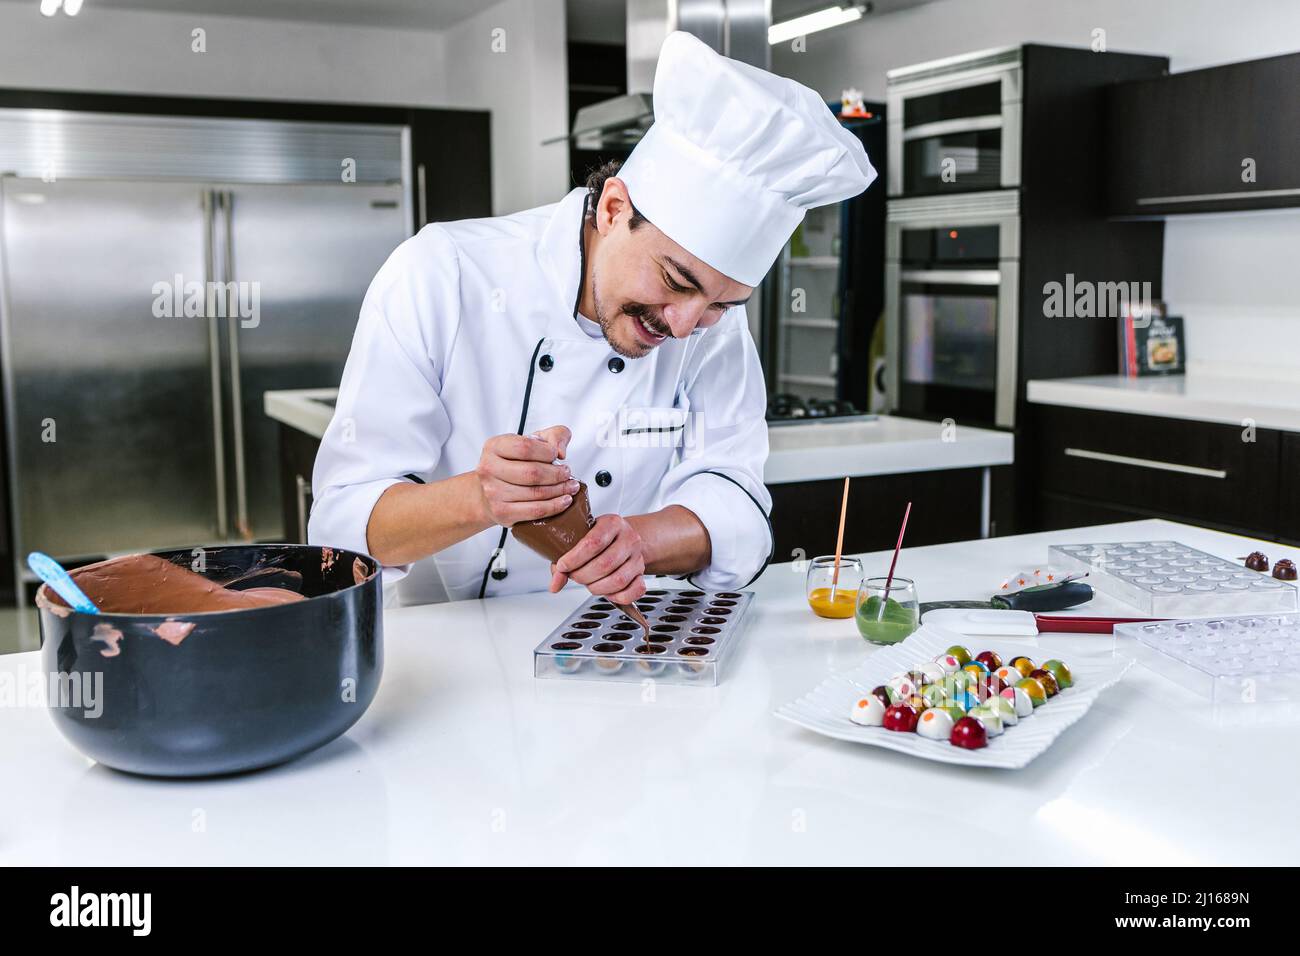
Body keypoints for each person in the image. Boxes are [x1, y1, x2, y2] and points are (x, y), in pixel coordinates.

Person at [310, 31, 876, 606]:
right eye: (676, 282)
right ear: (613, 208)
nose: (683, 326)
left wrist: (639, 542)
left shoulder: (710, 324)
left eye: (721, 304)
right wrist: (482, 497)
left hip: (623, 641)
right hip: (455, 653)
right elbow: (342, 525)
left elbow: (737, 498)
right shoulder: (443, 274)